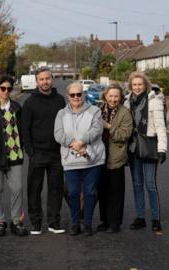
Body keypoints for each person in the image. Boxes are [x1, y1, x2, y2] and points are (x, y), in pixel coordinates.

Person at [54, 82, 105, 236]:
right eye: (72, 95)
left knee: (90, 192)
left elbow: (97, 130)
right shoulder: (61, 114)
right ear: (68, 97)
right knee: (73, 193)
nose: (76, 97)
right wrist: (73, 144)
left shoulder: (95, 111)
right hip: (71, 161)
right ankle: (75, 222)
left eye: (79, 94)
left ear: (83, 94)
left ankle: (88, 223)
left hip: (92, 159)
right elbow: (58, 134)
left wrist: (82, 142)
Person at [21, 66, 66, 235]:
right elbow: (25, 129)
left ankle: (54, 222)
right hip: (37, 153)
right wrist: (31, 151)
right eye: (41, 79)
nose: (45, 82)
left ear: (51, 79)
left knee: (56, 189)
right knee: (34, 189)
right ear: (37, 81)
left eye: (47, 78)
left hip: (56, 153)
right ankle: (36, 223)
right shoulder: (30, 102)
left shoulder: (60, 100)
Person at [0, 74, 28, 237]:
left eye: (9, 88)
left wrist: (24, 146)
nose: (6, 91)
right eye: (3, 88)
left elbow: (23, 130)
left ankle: (16, 221)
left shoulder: (17, 107)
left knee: (17, 188)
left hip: (15, 155)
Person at [127, 72, 167, 232]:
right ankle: (140, 217)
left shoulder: (154, 102)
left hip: (149, 145)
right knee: (137, 184)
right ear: (131, 86)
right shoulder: (126, 102)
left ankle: (156, 218)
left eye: (140, 84)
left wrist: (162, 149)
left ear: (146, 85)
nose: (137, 87)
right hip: (133, 147)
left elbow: (161, 127)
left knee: (150, 184)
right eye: (134, 85)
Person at [97, 84, 133, 233]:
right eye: (110, 96)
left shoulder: (125, 112)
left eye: (116, 96)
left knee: (115, 192)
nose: (113, 99)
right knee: (102, 191)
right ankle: (104, 221)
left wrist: (108, 126)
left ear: (121, 97)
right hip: (99, 156)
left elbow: (125, 135)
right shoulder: (98, 110)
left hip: (116, 157)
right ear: (105, 96)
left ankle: (115, 223)